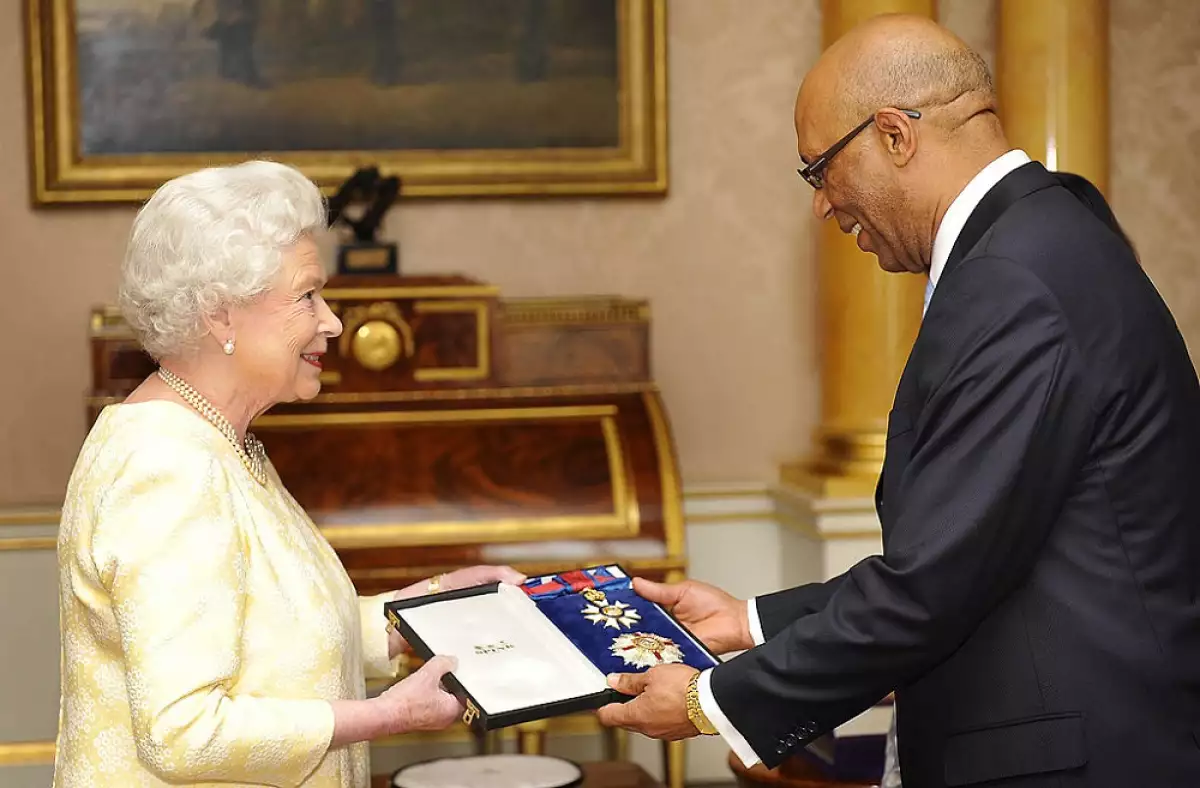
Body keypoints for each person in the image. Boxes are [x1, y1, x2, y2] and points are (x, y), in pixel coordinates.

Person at [596, 14, 1200, 788]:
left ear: (894, 135)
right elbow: (972, 549)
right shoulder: (1042, 236)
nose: (822, 205)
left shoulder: (1014, 279)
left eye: (819, 170)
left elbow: (931, 586)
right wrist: (748, 621)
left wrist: (710, 700)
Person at [53, 160, 525, 787]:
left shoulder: (216, 440)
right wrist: (387, 715)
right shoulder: (165, 465)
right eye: (307, 296)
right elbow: (183, 733)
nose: (332, 321)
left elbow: (278, 639)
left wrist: (425, 609)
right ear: (220, 314)